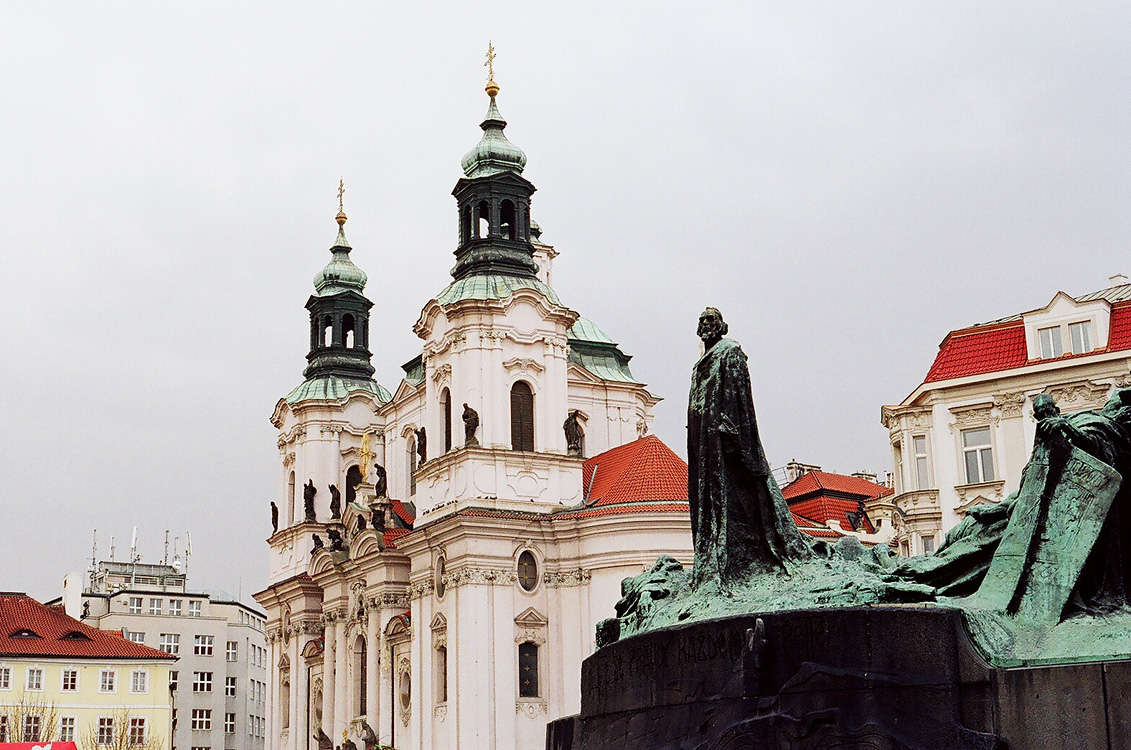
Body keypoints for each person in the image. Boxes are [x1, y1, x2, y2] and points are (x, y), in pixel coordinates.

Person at [687, 307, 811, 587]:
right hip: (704, 444)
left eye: (711, 320)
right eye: (702, 320)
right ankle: (714, 556)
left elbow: (739, 394)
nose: (705, 324)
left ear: (721, 326)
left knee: (738, 496)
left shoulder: (730, 351)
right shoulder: (700, 364)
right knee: (710, 499)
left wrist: (731, 430)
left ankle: (746, 557)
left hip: (724, 436)